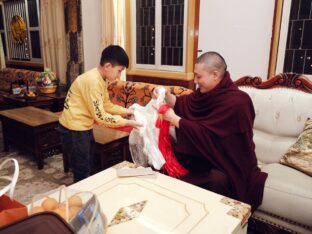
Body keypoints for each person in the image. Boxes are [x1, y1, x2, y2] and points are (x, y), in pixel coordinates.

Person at [162, 51, 268, 211]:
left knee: (217, 181)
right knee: (168, 165)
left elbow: (210, 135)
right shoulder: (203, 94)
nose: (195, 82)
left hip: (226, 162)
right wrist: (168, 97)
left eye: (199, 77)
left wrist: (175, 120)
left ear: (215, 75)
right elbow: (187, 104)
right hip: (201, 157)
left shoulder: (238, 102)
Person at [58, 45, 141, 182]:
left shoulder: (100, 78)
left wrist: (126, 111)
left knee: (88, 164)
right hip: (74, 129)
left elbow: (106, 104)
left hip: (82, 126)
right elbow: (100, 117)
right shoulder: (93, 82)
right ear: (108, 66)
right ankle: (81, 199)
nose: (119, 75)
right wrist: (127, 122)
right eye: (119, 71)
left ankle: (86, 193)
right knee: (82, 170)